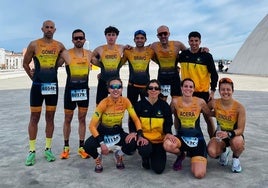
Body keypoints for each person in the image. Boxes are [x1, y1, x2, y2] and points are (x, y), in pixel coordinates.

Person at [23, 20, 66, 166]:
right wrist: (32, 77)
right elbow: (25, 63)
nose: (49, 29)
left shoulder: (59, 45)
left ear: (55, 30)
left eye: (51, 27)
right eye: (46, 27)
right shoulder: (34, 44)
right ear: (42, 28)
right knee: (34, 117)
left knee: (50, 117)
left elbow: (69, 57)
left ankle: (48, 149)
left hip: (52, 86)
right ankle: (32, 151)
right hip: (37, 86)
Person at [84, 77, 143, 173]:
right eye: (112, 87)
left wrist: (137, 134)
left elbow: (135, 119)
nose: (115, 89)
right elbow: (92, 126)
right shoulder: (103, 103)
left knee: (133, 143)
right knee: (87, 146)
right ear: (108, 89)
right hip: (103, 132)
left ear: (122, 89)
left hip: (117, 131)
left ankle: (118, 154)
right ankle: (98, 157)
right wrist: (102, 144)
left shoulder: (125, 101)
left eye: (118, 87)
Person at [163, 78, 213, 179]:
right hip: (181, 138)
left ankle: (195, 156)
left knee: (199, 174)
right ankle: (181, 154)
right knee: (167, 145)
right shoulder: (175, 102)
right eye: (185, 86)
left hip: (197, 139)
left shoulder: (200, 102)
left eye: (191, 87)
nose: (188, 89)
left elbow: (209, 114)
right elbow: (167, 116)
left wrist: (224, 110)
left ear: (194, 89)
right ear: (181, 88)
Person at [58, 29, 92, 159]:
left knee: (82, 119)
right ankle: (66, 147)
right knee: (68, 119)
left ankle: (81, 147)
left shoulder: (89, 54)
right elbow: (54, 66)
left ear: (84, 39)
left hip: (84, 91)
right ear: (72, 40)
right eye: (76, 38)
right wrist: (35, 71)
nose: (78, 40)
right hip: (70, 92)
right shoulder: (66, 54)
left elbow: (102, 64)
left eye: (81, 38)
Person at [178, 31, 218, 139]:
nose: (194, 43)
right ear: (188, 41)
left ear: (200, 41)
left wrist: (213, 91)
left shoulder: (207, 56)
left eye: (196, 41)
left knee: (208, 117)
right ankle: (185, 140)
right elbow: (172, 62)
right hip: (188, 93)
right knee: (188, 119)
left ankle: (213, 140)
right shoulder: (183, 55)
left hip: (203, 93)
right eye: (191, 41)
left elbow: (214, 74)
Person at [129, 79, 173, 174]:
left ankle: (155, 155)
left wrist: (168, 133)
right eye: (151, 88)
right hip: (145, 139)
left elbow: (168, 122)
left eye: (156, 88)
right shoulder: (139, 105)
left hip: (159, 140)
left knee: (158, 169)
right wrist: (136, 134)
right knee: (144, 149)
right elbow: (133, 121)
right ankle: (145, 157)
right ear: (147, 90)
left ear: (159, 91)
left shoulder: (164, 106)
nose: (153, 90)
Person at [207, 77, 246, 173]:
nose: (225, 92)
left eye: (228, 89)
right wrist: (215, 114)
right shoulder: (214, 103)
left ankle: (236, 158)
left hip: (234, 134)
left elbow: (241, 130)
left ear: (233, 90)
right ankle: (224, 151)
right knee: (212, 152)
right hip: (220, 134)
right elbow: (207, 112)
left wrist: (228, 134)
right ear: (219, 91)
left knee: (238, 143)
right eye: (223, 89)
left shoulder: (239, 107)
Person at [120, 30, 155, 131]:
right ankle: (132, 133)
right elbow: (119, 65)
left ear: (145, 39)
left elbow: (161, 61)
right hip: (132, 86)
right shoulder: (128, 51)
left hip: (145, 87)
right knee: (132, 111)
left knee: (147, 110)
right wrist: (102, 71)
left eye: (142, 38)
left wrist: (176, 67)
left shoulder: (150, 51)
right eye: (137, 38)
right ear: (134, 39)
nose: (139, 40)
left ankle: (146, 132)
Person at [150, 25, 187, 101]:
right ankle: (165, 113)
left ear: (169, 34)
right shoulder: (154, 46)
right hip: (163, 78)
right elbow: (144, 52)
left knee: (176, 100)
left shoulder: (177, 44)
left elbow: (189, 53)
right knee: (162, 100)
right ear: (157, 36)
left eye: (165, 33)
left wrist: (201, 49)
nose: (163, 36)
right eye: (160, 34)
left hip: (174, 78)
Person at [91, 26, 125, 105]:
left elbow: (131, 54)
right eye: (109, 35)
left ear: (116, 36)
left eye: (113, 35)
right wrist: (102, 66)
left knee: (118, 105)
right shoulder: (99, 49)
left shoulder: (121, 48)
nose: (111, 37)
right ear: (105, 36)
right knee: (100, 105)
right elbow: (90, 58)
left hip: (116, 82)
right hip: (103, 81)